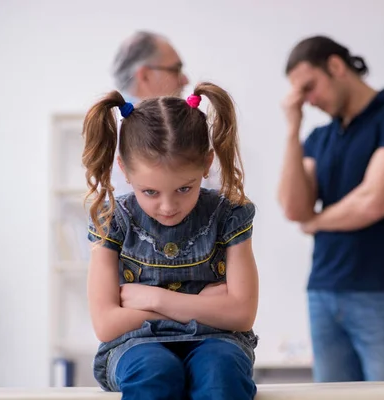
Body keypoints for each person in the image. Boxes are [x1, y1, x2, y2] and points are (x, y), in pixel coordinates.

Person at [81, 81, 259, 400]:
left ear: (206, 164)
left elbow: (241, 315)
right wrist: (205, 306)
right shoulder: (112, 220)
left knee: (221, 371)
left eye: (184, 189)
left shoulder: (229, 214)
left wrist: (152, 299)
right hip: (134, 345)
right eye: (150, 192)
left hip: (217, 342)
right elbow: (107, 325)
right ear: (125, 170)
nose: (167, 206)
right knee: (155, 372)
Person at [277, 35, 384, 384]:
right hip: (322, 291)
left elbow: (375, 201)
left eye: (310, 87)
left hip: (382, 292)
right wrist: (292, 130)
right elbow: (293, 207)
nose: (308, 100)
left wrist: (315, 222)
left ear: (336, 66)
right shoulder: (319, 136)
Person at [110, 31, 191, 196]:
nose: (185, 80)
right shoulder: (124, 132)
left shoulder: (113, 126)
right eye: (176, 69)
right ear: (145, 75)